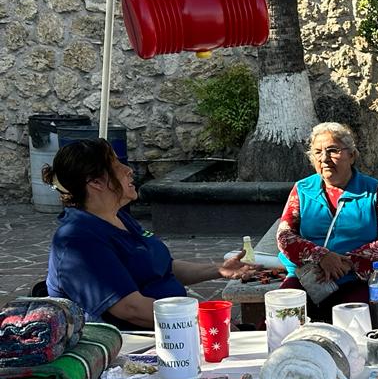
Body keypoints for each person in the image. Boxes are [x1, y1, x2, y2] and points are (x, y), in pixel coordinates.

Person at [44, 139, 256, 330]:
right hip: (136, 342)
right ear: (96, 182)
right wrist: (205, 321)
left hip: (173, 328)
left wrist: (219, 270)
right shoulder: (79, 240)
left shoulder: (118, 217)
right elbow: (131, 309)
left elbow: (162, 267)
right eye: (117, 165)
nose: (128, 170)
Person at [276, 122, 378, 322]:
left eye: (333, 150)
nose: (324, 158)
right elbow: (284, 236)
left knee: (355, 324)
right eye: (317, 152)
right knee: (280, 319)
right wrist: (321, 257)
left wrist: (347, 263)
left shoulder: (373, 190)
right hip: (307, 278)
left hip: (357, 278)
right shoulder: (302, 189)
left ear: (352, 155)